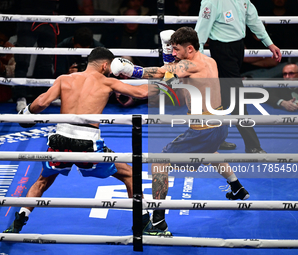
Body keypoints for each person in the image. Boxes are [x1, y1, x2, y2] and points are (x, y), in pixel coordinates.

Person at [111, 27, 250, 234]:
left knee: (159, 163)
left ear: (190, 48)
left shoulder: (189, 65)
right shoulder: (209, 61)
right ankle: (237, 187)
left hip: (203, 128)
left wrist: (132, 71)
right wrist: (170, 59)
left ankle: (158, 222)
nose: (174, 53)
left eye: (176, 49)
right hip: (220, 126)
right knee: (209, 150)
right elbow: (173, 77)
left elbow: (161, 73)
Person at [3, 47, 155, 234]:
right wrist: (169, 81)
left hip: (60, 141)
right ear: (105, 65)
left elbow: (41, 103)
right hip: (87, 145)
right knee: (131, 175)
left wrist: (26, 114)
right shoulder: (107, 82)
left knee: (42, 181)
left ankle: (17, 223)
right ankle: (143, 225)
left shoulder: (64, 79)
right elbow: (141, 93)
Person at [194, 0, 282, 153]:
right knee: (237, 99)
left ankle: (214, 139)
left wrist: (269, 43)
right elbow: (200, 32)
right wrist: (200, 64)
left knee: (222, 97)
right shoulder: (212, 1)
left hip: (238, 48)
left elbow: (253, 20)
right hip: (222, 51)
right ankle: (252, 145)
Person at [12, 0, 59, 111]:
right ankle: (20, 97)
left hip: (48, 16)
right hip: (28, 16)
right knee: (22, 59)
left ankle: (46, 95)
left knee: (46, 60)